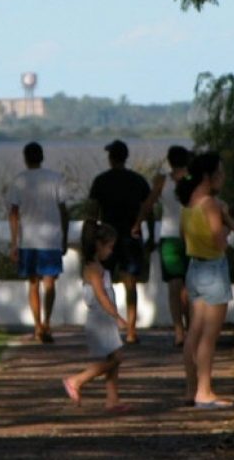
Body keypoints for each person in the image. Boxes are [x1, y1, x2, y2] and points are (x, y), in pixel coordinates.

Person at [175, 151, 234, 409]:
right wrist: (228, 226)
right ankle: (205, 392)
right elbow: (219, 241)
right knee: (209, 337)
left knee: (194, 332)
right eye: (220, 172)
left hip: (195, 269)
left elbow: (184, 237)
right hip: (213, 269)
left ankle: (191, 389)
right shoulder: (211, 204)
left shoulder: (190, 204)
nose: (223, 177)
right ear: (208, 176)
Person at [61, 220, 130, 413]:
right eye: (109, 247)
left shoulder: (98, 266)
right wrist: (117, 317)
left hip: (104, 318)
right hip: (101, 319)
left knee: (114, 358)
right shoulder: (93, 269)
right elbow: (101, 296)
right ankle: (77, 380)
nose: (111, 251)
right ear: (98, 245)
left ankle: (112, 399)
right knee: (116, 359)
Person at [88, 139, 153, 344]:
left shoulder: (101, 181)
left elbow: (92, 213)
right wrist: (149, 234)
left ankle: (108, 327)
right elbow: (148, 210)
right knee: (130, 284)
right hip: (131, 237)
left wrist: (91, 238)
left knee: (104, 284)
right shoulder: (138, 180)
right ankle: (131, 331)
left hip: (107, 238)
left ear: (111, 158)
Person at [7, 142, 69, 343]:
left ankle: (37, 326)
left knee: (33, 283)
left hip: (28, 240)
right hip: (51, 238)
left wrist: (14, 242)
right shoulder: (56, 179)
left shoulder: (19, 181)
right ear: (42, 157)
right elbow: (63, 210)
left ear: (25, 158)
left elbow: (13, 213)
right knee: (49, 283)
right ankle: (47, 322)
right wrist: (64, 236)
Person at [132, 145, 191, 348]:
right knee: (187, 286)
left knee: (175, 286)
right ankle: (189, 328)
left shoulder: (162, 180)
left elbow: (148, 204)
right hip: (191, 236)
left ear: (169, 160)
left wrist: (138, 223)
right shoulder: (193, 180)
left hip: (169, 236)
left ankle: (179, 332)